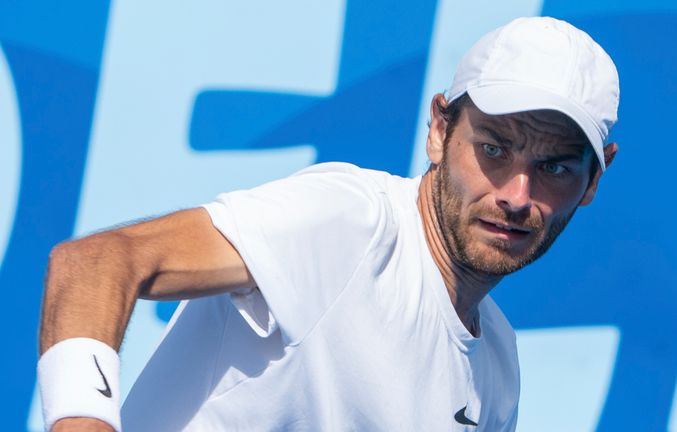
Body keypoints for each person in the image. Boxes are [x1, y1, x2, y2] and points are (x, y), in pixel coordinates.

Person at [37, 16, 619, 431]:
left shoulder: (498, 367)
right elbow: (99, 260)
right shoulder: (350, 223)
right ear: (440, 130)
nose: (518, 195)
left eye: (555, 167)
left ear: (594, 180)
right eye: (494, 149)